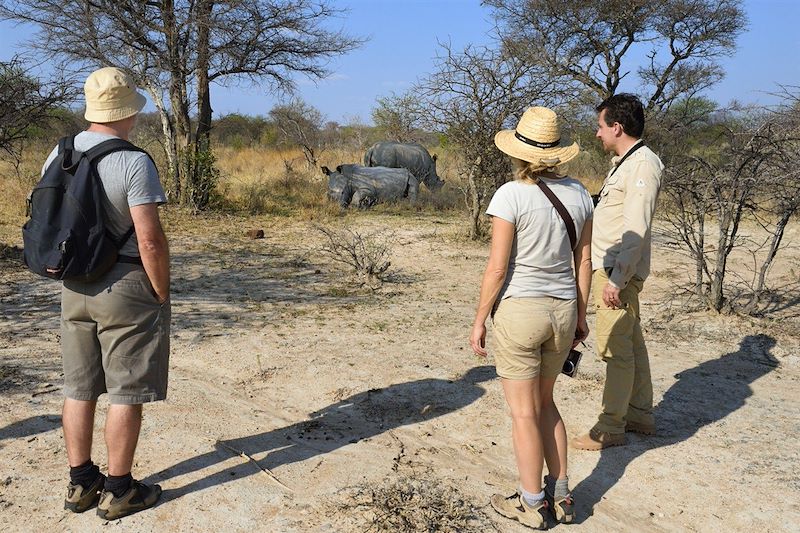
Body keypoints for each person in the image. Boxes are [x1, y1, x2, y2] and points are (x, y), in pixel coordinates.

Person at [48, 67, 171, 519]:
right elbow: (150, 239)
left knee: (79, 387)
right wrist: (160, 290)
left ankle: (81, 484)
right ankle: (121, 490)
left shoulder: (58, 153)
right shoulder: (133, 161)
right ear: (128, 111)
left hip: (73, 283)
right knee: (126, 389)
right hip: (123, 285)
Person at [470, 107, 593, 529]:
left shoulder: (510, 194)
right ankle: (562, 495)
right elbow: (585, 261)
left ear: (519, 150)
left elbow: (497, 269)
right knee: (546, 405)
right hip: (563, 311)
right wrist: (580, 314)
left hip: (521, 311)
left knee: (523, 413)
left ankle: (531, 502)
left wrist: (480, 319)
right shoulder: (580, 194)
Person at [570, 93, 664, 451]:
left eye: (600, 126)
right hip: (612, 267)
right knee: (631, 343)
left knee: (615, 349)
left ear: (617, 127)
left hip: (615, 271)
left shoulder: (642, 165)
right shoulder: (627, 162)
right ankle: (640, 414)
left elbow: (635, 227)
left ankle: (610, 427)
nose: (597, 134)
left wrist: (616, 279)